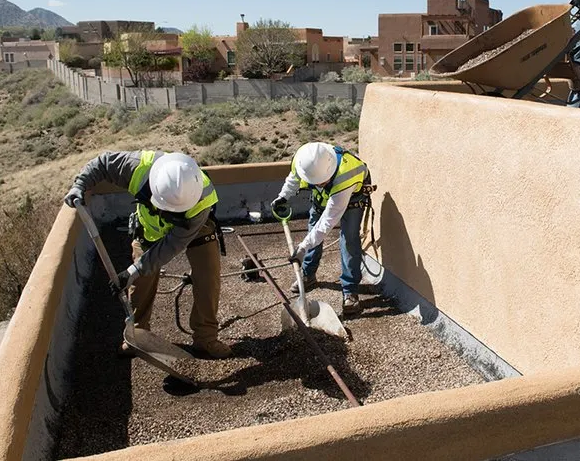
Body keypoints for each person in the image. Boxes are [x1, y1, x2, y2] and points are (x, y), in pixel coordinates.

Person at [63, 150, 231, 359]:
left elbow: (170, 246)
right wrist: (80, 184)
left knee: (208, 276)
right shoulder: (137, 167)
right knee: (141, 281)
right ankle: (138, 335)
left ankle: (205, 338)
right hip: (149, 229)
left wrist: (132, 270)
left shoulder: (201, 199)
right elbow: (102, 163)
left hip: (197, 228)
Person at [270, 142, 373, 316]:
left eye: (322, 181)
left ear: (331, 170)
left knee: (349, 240)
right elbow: (294, 178)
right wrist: (283, 196)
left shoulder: (345, 174)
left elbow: (327, 222)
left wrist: (302, 247)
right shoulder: (303, 160)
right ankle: (308, 275)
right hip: (322, 199)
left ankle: (350, 290)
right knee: (313, 229)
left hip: (352, 199)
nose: (320, 183)